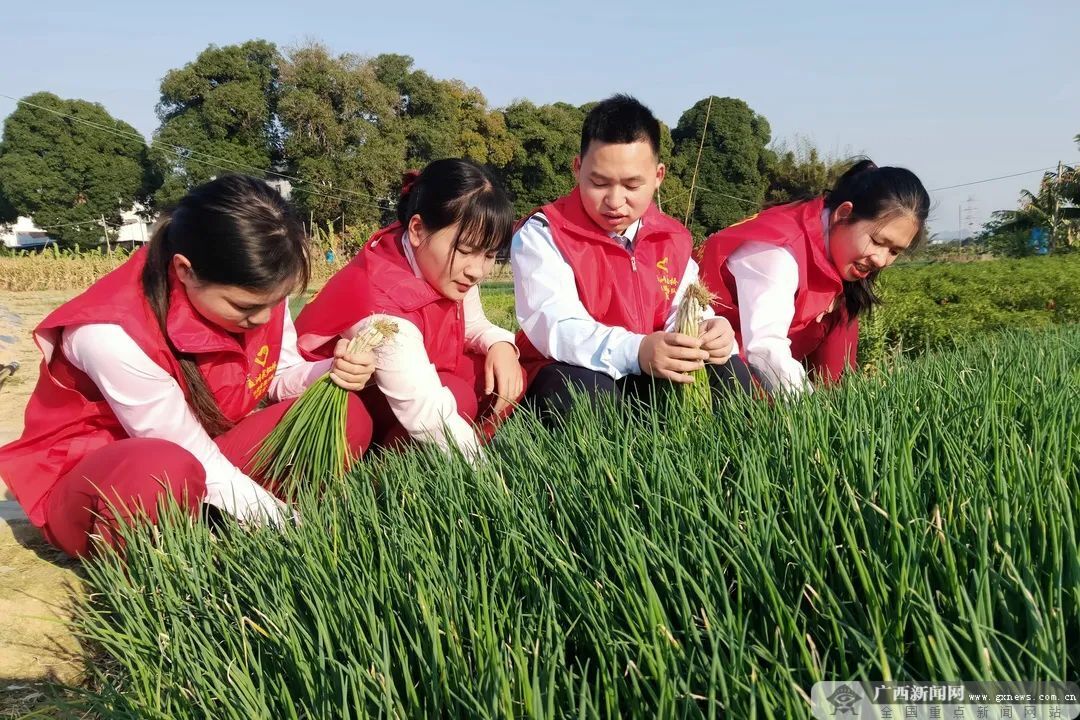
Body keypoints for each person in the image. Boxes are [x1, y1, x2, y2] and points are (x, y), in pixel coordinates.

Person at [0, 175, 375, 557]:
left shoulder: (259, 293)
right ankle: (156, 574)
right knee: (158, 469)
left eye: (276, 302)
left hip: (204, 458)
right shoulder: (111, 334)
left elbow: (277, 374)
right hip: (108, 486)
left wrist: (330, 371)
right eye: (245, 307)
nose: (264, 319)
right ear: (184, 270)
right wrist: (294, 531)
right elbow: (187, 451)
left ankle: (227, 529)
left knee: (346, 414)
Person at [511, 94, 750, 417]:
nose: (614, 200)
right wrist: (636, 351)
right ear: (578, 169)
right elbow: (555, 324)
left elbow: (681, 306)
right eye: (599, 183)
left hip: (651, 365)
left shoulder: (673, 237)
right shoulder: (544, 232)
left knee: (730, 372)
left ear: (658, 176)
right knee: (588, 395)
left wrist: (709, 329)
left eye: (632, 185)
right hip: (571, 369)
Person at [295, 159, 523, 461]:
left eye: (489, 254)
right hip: (329, 407)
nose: (477, 271)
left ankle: (403, 456)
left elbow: (472, 324)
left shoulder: (438, 262)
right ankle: (386, 467)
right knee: (455, 397)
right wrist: (490, 480)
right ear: (416, 229)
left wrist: (500, 343)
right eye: (467, 251)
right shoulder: (382, 307)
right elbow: (425, 411)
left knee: (487, 371)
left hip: (386, 388)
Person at [699, 159, 929, 394]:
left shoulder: (833, 238)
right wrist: (814, 413)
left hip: (761, 344)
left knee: (846, 306)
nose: (881, 260)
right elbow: (764, 347)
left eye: (894, 252)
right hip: (718, 355)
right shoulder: (777, 251)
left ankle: (839, 399)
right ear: (844, 213)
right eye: (878, 242)